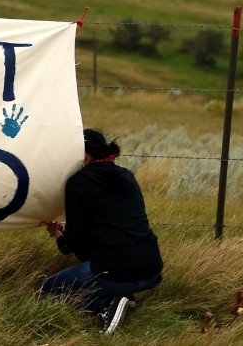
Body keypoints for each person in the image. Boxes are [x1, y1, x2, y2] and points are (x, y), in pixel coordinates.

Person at [40, 128, 163, 335]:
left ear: (85, 155)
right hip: (151, 270)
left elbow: (72, 245)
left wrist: (61, 237)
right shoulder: (127, 176)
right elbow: (112, 222)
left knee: (48, 291)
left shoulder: (77, 183)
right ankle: (124, 297)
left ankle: (106, 304)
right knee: (107, 269)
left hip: (115, 270)